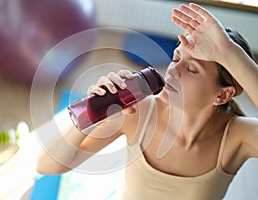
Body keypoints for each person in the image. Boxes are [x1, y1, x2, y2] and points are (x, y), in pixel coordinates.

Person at [36, 3, 258, 200]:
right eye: (177, 58)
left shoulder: (236, 138)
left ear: (222, 95)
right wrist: (92, 112)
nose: (173, 71)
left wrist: (230, 53)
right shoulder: (139, 112)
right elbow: (46, 165)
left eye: (191, 69)